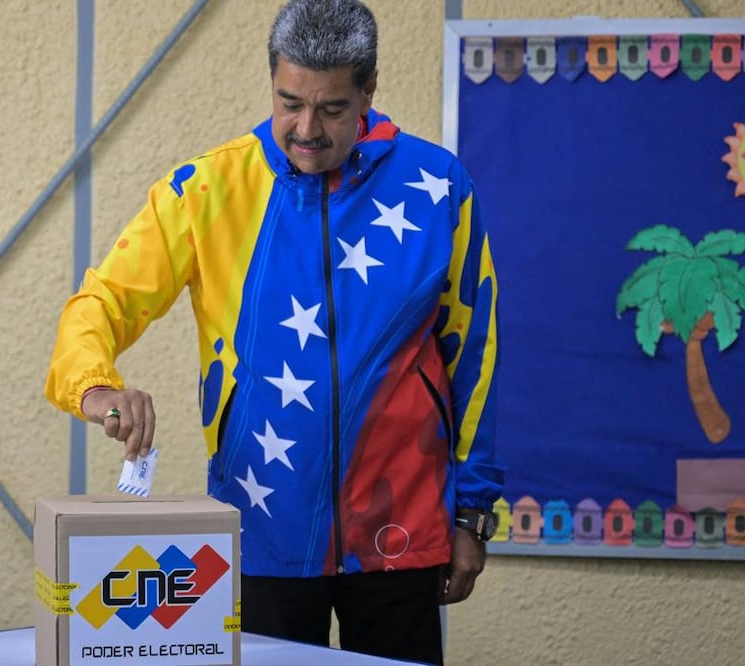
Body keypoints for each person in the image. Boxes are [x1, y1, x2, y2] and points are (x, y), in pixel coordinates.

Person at [44, 1, 504, 663]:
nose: (306, 130)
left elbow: (476, 353)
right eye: (289, 103)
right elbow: (102, 300)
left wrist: (470, 512)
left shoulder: (439, 188)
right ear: (271, 82)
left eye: (332, 109)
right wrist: (95, 388)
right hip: (257, 530)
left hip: (402, 529)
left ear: (368, 90)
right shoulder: (205, 189)